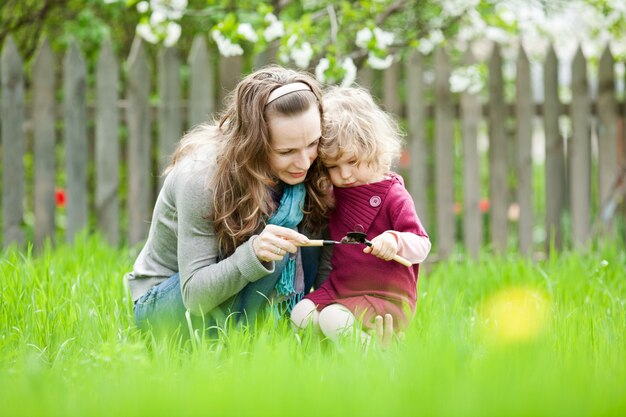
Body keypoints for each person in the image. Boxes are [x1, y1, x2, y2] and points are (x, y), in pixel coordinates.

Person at [126, 65, 333, 335]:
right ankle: (242, 342)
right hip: (167, 305)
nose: (304, 161)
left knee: (307, 211)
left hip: (233, 297)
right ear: (253, 143)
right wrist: (254, 253)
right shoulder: (202, 178)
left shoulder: (312, 168)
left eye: (312, 144)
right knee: (276, 247)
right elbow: (195, 297)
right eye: (286, 151)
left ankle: (290, 332)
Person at [290, 86, 431, 344]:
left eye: (352, 162)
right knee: (300, 315)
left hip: (384, 295)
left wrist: (395, 241)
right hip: (342, 288)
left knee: (333, 319)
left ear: (373, 149)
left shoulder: (393, 195)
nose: (344, 174)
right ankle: (328, 357)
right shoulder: (337, 194)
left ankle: (373, 356)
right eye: (333, 166)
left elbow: (422, 245)